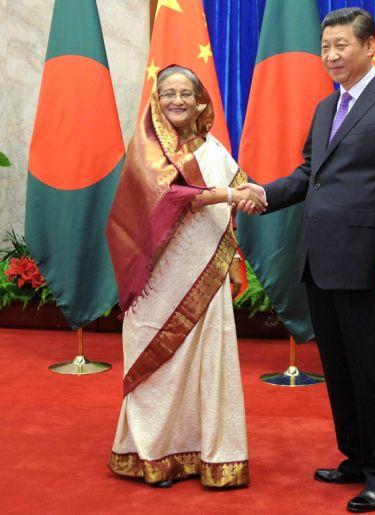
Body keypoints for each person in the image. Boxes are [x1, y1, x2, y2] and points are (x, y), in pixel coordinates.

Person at [237, 8, 375, 512]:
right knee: (341, 369)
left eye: (341, 45)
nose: (331, 55)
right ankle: (358, 458)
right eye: (325, 47)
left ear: (368, 46)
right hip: (321, 260)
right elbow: (308, 174)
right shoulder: (327, 108)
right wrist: (263, 192)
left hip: (372, 265)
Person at [106, 65, 264, 489]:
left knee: (206, 363)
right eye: (168, 93)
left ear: (200, 102)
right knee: (158, 366)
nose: (177, 100)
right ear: (157, 102)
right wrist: (232, 194)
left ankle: (208, 453)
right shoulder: (147, 150)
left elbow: (237, 197)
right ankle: (151, 454)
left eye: (185, 93)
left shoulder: (214, 150)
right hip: (158, 282)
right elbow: (173, 195)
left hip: (205, 278)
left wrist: (246, 205)